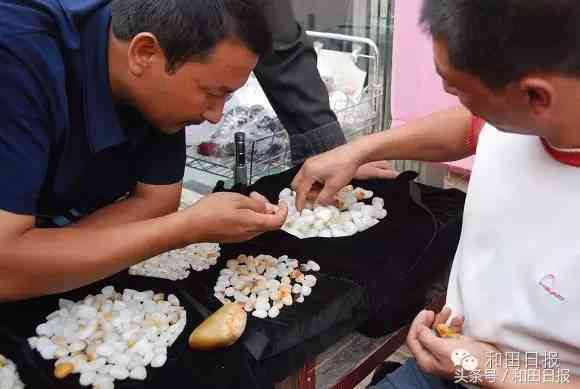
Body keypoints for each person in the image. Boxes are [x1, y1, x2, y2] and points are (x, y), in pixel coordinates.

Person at [292, 0, 580, 388]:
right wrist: (358, 150)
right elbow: (470, 128)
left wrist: (488, 369)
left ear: (537, 98)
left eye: (461, 91)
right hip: (451, 363)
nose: (448, 93)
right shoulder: (523, 116)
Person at [0, 0, 288, 301]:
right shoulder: (18, 57)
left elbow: (158, 201)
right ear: (144, 53)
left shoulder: (157, 75)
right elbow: (5, 270)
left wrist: (43, 257)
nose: (216, 115)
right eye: (212, 93)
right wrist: (186, 228)